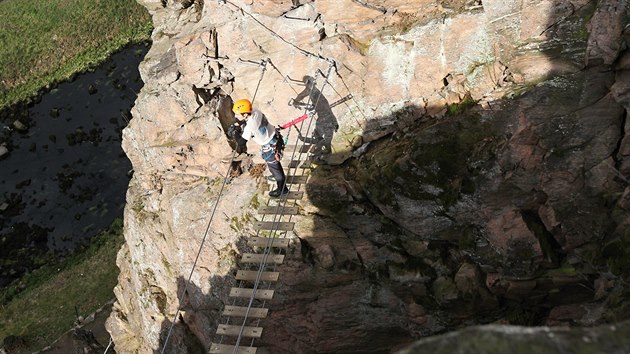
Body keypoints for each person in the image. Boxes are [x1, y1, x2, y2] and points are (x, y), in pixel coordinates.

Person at [229, 99, 288, 198]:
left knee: (274, 167)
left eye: (237, 114)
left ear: (245, 115)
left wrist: (234, 133)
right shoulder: (255, 111)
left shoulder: (250, 127)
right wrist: (238, 125)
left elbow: (241, 142)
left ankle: (282, 189)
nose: (235, 116)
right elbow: (247, 121)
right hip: (274, 137)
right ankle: (279, 180)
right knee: (273, 165)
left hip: (269, 145)